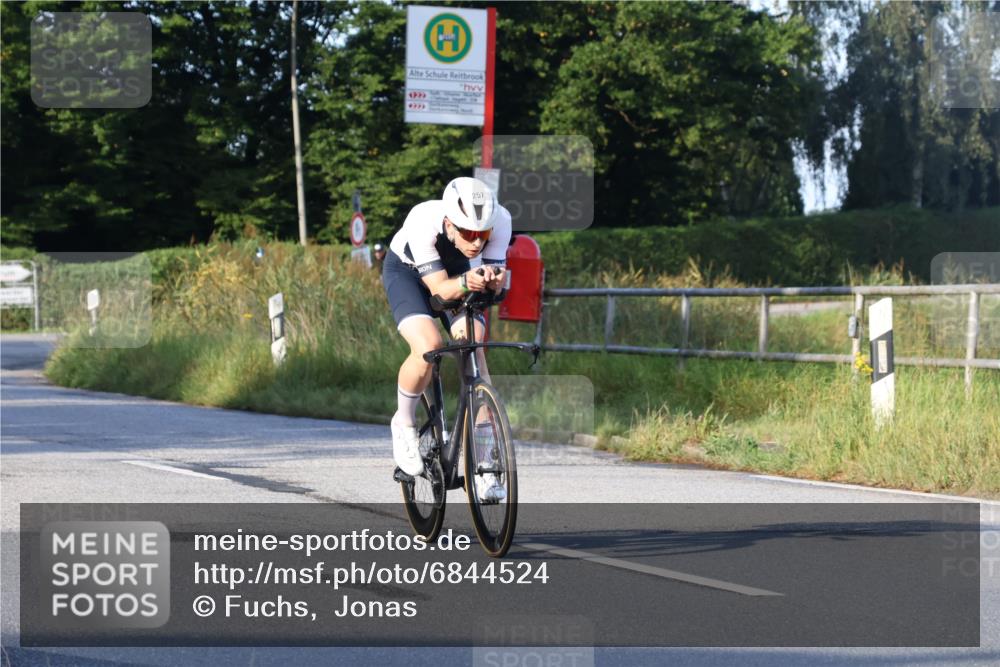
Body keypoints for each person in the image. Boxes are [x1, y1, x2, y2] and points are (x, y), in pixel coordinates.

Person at [382, 177, 511, 501]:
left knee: (474, 348)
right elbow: (440, 290)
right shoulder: (423, 220)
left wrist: (495, 283)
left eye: (483, 235)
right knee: (428, 346)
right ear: (448, 224)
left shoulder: (501, 221)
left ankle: (484, 463)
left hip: (461, 277)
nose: (476, 242)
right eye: (467, 233)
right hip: (409, 274)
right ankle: (404, 423)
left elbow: (495, 286)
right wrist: (470, 281)